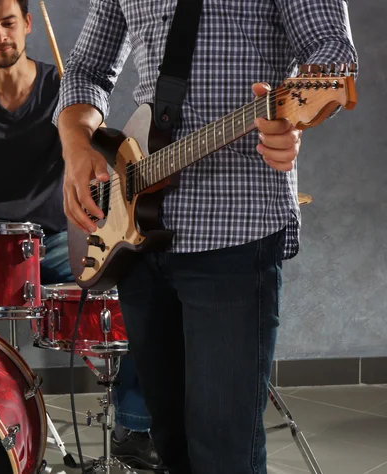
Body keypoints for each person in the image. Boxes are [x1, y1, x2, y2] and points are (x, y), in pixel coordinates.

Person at [54, 1, 357, 473]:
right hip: (137, 238)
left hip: (235, 228)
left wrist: (292, 121)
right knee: (169, 441)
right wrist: (75, 143)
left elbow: (331, 50)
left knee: (223, 449)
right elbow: (87, 67)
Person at [0, 0, 162, 469]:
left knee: (142, 282)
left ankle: (133, 424)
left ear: (26, 25)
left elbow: (100, 151)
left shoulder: (65, 91)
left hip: (60, 242)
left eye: (7, 23)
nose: (0, 35)